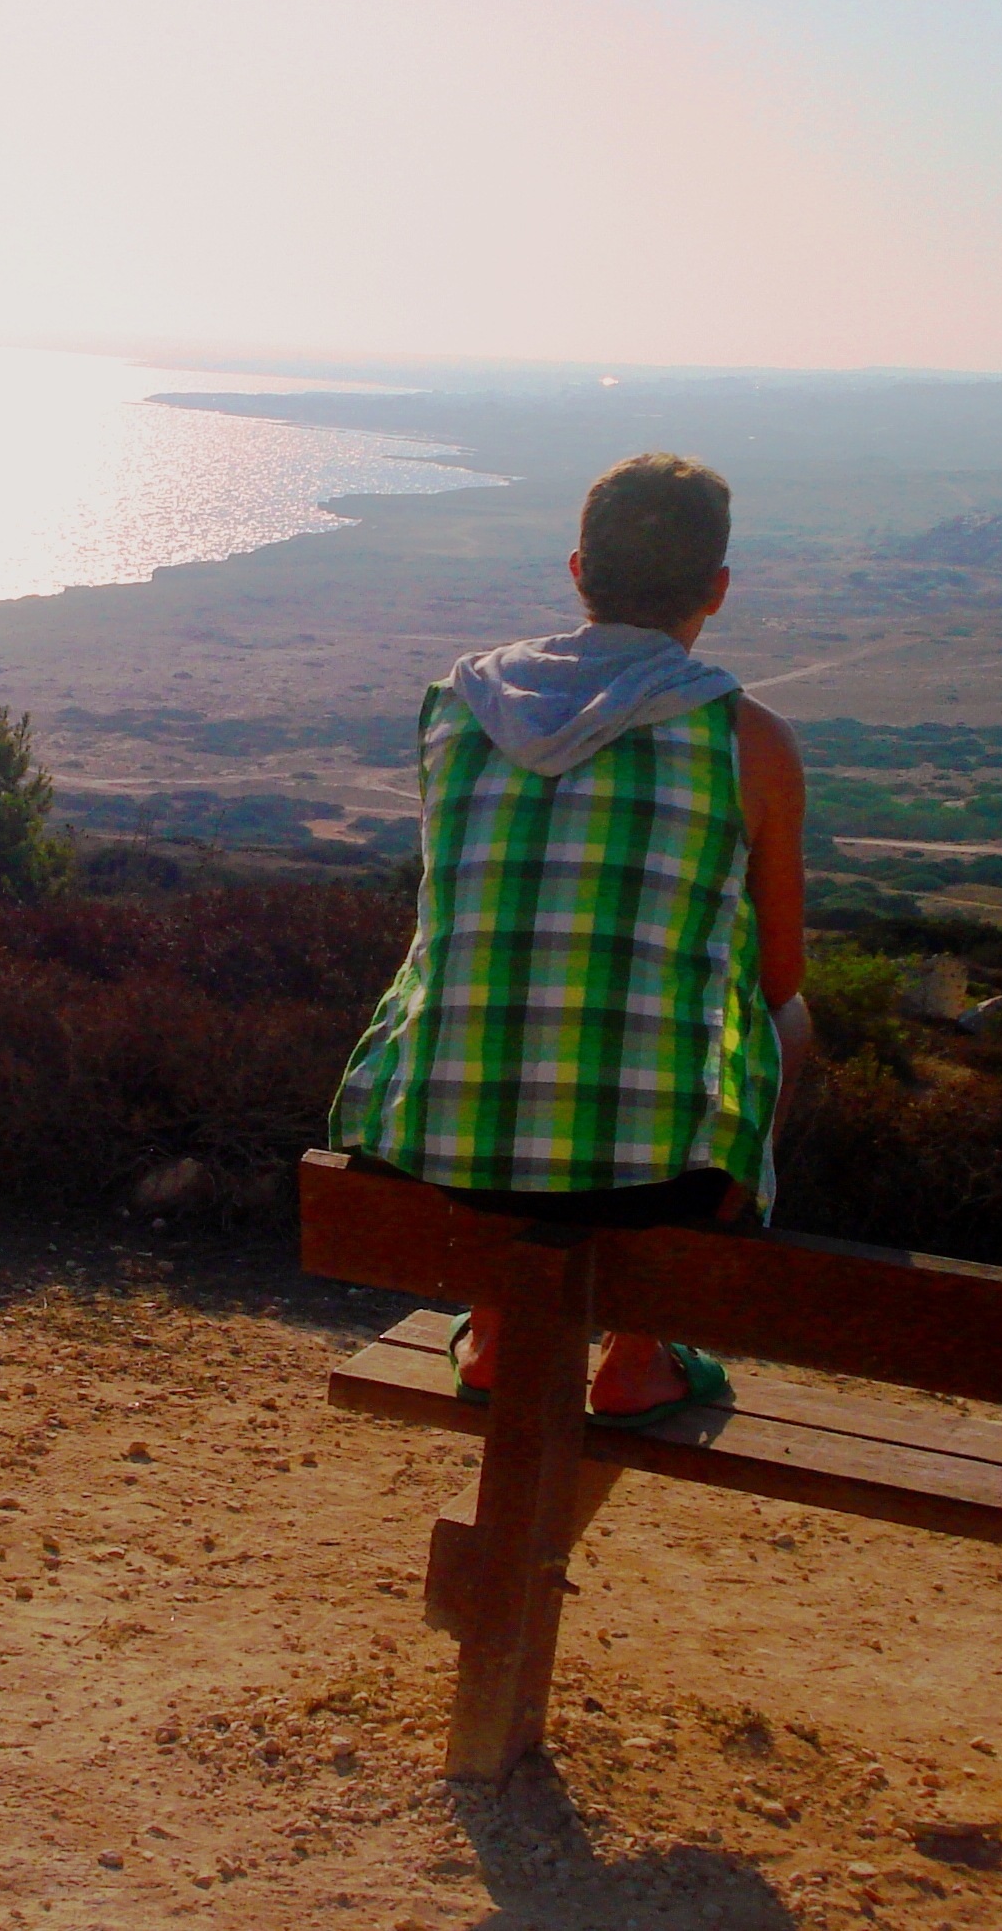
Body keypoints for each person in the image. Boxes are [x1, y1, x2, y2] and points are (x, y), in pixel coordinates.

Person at [328, 451, 811, 1428]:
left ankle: (493, 1330)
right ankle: (639, 1353)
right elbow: (777, 976)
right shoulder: (746, 737)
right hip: (653, 1187)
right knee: (790, 1022)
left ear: (578, 571)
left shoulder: (454, 707)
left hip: (429, 1160)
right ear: (715, 590)